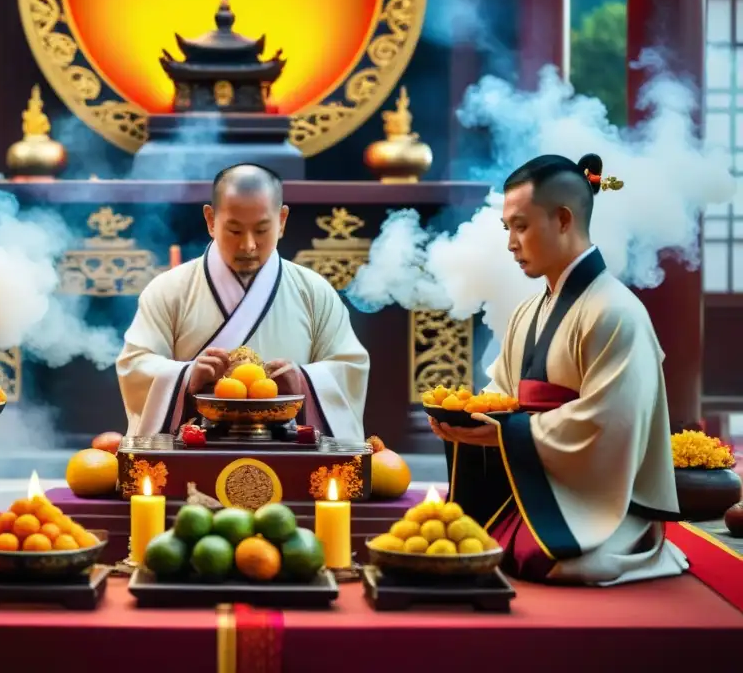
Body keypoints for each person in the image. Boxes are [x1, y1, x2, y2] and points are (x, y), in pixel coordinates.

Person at [432, 153, 686, 586]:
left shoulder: (618, 312)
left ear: (564, 219)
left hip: (597, 500)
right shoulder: (528, 311)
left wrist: (505, 432)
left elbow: (610, 423)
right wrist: (470, 421)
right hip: (538, 487)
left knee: (554, 562)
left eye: (521, 226)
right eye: (507, 229)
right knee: (472, 541)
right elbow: (504, 392)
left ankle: (638, 545)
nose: (511, 243)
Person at [117, 163, 370, 439]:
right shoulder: (168, 290)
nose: (248, 245)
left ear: (282, 220)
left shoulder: (313, 291)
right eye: (235, 231)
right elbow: (135, 364)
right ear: (211, 220)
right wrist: (186, 377)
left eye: (261, 230)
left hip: (289, 452)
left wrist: (303, 381)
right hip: (195, 452)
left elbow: (350, 366)